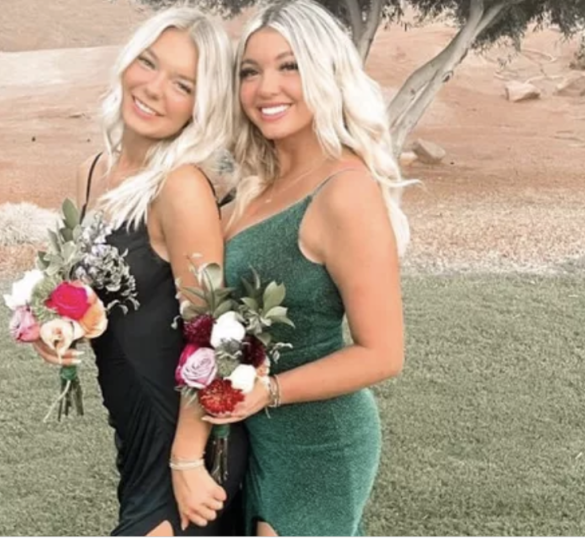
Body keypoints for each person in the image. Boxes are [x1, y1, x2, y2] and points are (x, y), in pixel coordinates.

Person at [31, 7, 247, 536]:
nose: (153, 88)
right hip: (135, 438)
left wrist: (186, 460)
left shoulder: (180, 187)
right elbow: (93, 289)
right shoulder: (93, 171)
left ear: (201, 105)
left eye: (182, 85)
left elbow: (212, 335)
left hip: (186, 443)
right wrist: (56, 327)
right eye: (148, 63)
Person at [208, 0, 410, 536]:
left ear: (326, 73)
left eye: (289, 66)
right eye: (250, 72)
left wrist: (269, 392)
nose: (265, 88)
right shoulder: (255, 185)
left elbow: (383, 353)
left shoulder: (345, 190)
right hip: (253, 434)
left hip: (317, 442)